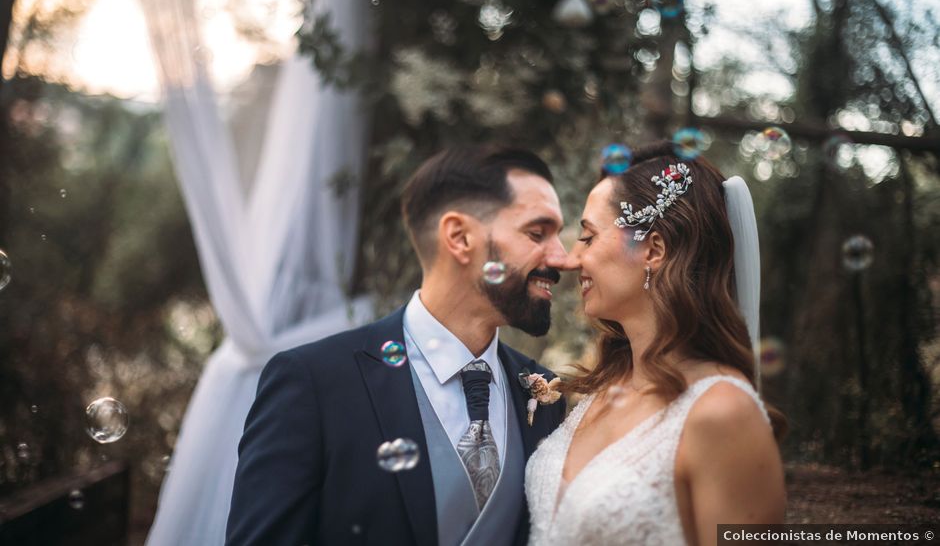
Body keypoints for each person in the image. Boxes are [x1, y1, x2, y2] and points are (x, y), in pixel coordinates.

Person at [226, 145, 569, 546]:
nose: (562, 257)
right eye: (537, 233)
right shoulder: (314, 384)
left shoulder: (543, 393)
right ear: (459, 238)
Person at [525, 141, 787, 546]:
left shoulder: (722, 413)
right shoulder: (598, 393)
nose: (571, 259)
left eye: (588, 237)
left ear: (653, 249)